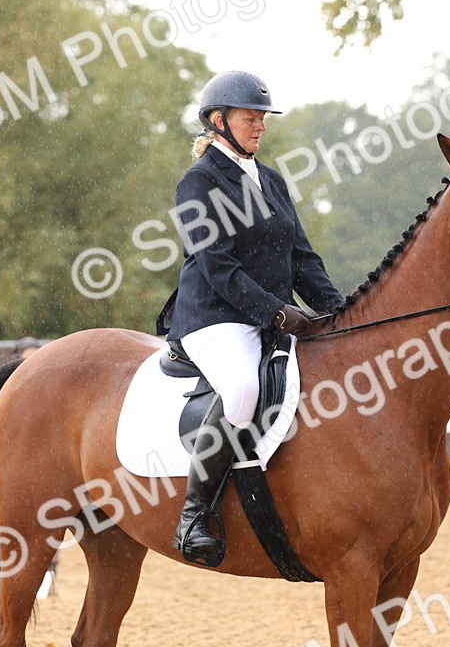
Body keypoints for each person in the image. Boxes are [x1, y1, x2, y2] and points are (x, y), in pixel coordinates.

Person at [167, 69, 344, 566]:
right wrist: (278, 313)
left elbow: (302, 259)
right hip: (214, 317)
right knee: (243, 389)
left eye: (262, 118)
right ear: (219, 121)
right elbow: (219, 267)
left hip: (270, 317)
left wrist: (339, 311)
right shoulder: (198, 183)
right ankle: (194, 515)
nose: (260, 125)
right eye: (250, 118)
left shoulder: (270, 180)